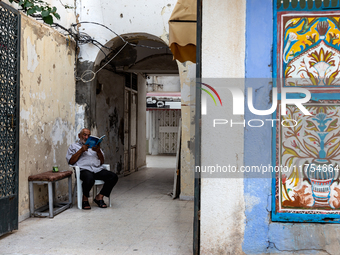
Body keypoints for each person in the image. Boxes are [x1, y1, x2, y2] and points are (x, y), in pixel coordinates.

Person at [66, 128, 118, 209]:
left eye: (88, 135)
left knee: (113, 177)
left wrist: (98, 151)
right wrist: (81, 150)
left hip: (97, 169)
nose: (86, 137)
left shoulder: (95, 146)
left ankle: (99, 197)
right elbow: (71, 162)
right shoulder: (73, 146)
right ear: (79, 136)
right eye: (84, 135)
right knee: (89, 178)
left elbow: (102, 161)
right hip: (83, 170)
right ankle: (85, 199)